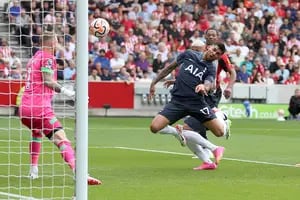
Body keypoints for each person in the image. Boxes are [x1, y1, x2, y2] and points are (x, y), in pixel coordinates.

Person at [19, 32, 101, 185]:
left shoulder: (34, 57)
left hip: (24, 108)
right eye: (56, 42)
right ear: (51, 44)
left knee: (37, 132)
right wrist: (71, 93)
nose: (57, 45)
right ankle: (80, 173)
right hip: (39, 107)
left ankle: (33, 169)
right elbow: (48, 81)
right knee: (61, 138)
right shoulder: (48, 57)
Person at [149, 42, 228, 169]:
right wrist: (154, 83)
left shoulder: (210, 68)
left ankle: (220, 116)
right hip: (177, 102)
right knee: (154, 127)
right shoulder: (189, 54)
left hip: (196, 103)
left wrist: (204, 86)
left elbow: (208, 83)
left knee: (219, 132)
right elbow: (169, 68)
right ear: (209, 47)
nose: (214, 53)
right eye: (214, 50)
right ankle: (178, 133)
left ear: (218, 57)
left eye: (217, 54)